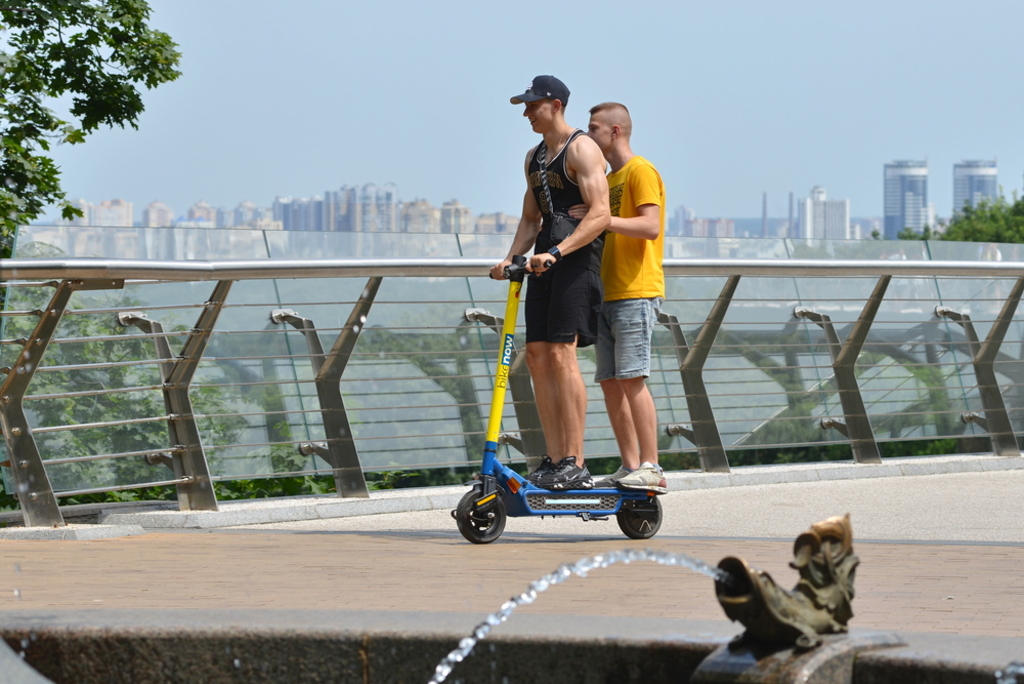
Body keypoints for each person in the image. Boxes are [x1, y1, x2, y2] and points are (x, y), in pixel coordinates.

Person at [490, 75, 611, 490]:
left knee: (562, 353)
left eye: (532, 106)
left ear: (555, 104)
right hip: (542, 259)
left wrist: (560, 252)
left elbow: (600, 214)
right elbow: (530, 217)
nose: (526, 113)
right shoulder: (534, 157)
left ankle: (575, 461)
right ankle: (555, 458)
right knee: (538, 354)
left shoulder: (582, 148)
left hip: (575, 262)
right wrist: (511, 258)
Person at [569, 102, 667, 493]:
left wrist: (602, 219)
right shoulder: (606, 181)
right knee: (610, 381)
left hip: (635, 291)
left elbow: (650, 226)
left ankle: (653, 466)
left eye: (594, 128)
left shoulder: (640, 171)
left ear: (615, 131)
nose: (588, 135)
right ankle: (630, 466)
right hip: (605, 293)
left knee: (632, 378)